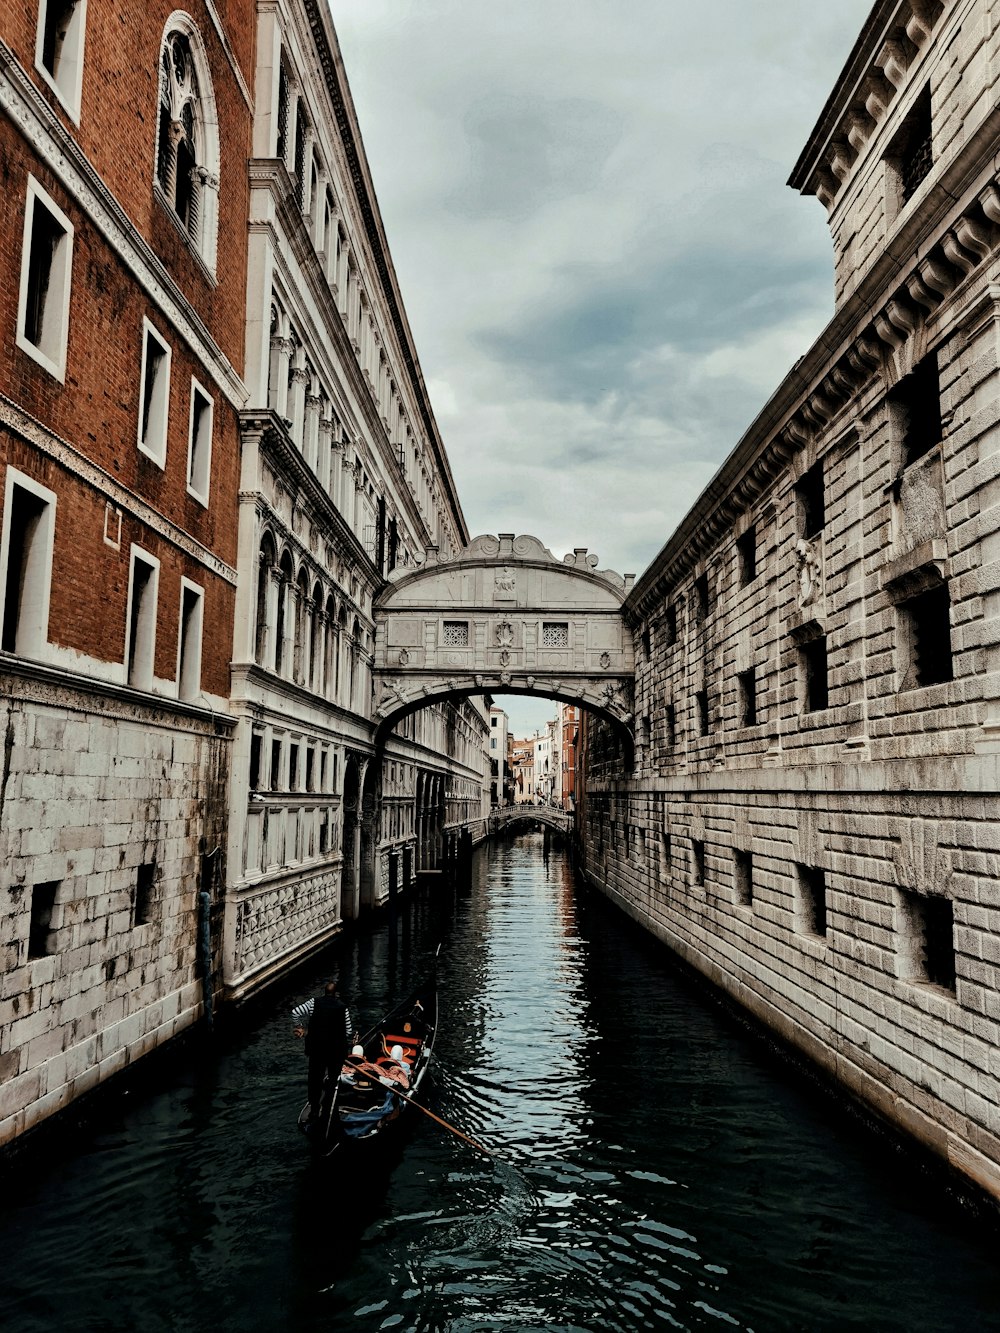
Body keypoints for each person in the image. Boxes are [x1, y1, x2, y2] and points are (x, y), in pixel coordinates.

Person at [292, 980, 353, 1117]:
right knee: (332, 1079)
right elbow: (348, 1031)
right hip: (335, 1052)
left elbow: (295, 1012)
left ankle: (314, 1108)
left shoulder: (313, 1003)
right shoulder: (343, 1007)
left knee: (315, 1079)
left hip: (316, 1050)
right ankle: (327, 1105)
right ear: (336, 994)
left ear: (324, 992)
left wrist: (299, 1027)